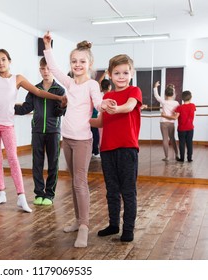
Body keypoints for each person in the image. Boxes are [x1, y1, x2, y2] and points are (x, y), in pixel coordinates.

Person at [0, 23, 67, 213]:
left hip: (7, 125)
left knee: (13, 159)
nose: (0, 63)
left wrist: (58, 97)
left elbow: (38, 93)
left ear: (9, 61)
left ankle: (21, 197)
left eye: (3, 60)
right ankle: (1, 192)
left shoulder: (17, 79)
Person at [43, 32, 110, 247]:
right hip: (68, 139)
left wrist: (105, 106)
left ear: (89, 63)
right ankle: (78, 220)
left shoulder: (91, 85)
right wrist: (47, 45)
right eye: (74, 61)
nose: (77, 64)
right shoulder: (70, 84)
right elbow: (53, 68)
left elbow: (98, 103)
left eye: (82, 61)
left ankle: (84, 226)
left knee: (80, 182)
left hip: (82, 141)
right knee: (74, 182)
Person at [90, 54, 142, 242]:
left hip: (127, 149)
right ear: (110, 75)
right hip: (107, 150)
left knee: (128, 191)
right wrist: (80, 119)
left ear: (131, 73)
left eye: (125, 72)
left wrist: (115, 109)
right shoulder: (107, 96)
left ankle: (128, 229)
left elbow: (128, 107)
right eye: (117, 73)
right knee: (112, 190)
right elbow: (101, 122)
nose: (121, 76)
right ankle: (113, 225)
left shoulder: (134, 91)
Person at [14, 57, 66, 206]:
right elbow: (25, 108)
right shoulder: (34, 89)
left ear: (53, 70)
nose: (46, 71)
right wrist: (7, 106)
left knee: (53, 163)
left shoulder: (60, 90)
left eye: (48, 68)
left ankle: (49, 194)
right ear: (40, 70)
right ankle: (39, 193)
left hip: (53, 132)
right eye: (43, 69)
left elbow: (59, 112)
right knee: (37, 163)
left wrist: (62, 105)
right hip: (37, 131)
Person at [162, 90, 196, 162]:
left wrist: (164, 115)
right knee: (189, 143)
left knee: (182, 144)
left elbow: (175, 117)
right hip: (190, 128)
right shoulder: (193, 106)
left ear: (182, 99)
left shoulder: (180, 108)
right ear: (190, 98)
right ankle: (189, 158)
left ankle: (182, 158)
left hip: (182, 129)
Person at [153, 81, 180, 161]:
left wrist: (155, 87)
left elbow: (156, 96)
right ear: (173, 94)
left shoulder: (164, 101)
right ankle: (177, 155)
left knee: (165, 139)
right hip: (171, 123)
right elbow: (176, 113)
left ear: (165, 94)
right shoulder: (176, 103)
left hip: (163, 122)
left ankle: (167, 157)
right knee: (172, 139)